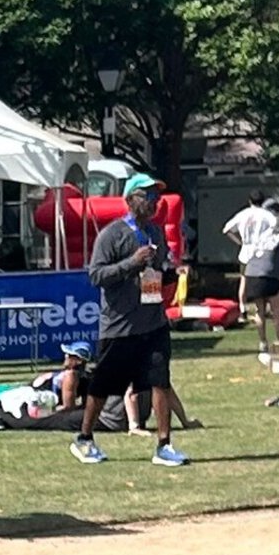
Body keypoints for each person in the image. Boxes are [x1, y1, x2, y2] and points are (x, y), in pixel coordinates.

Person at [72, 174, 186, 468]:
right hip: (120, 326)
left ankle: (164, 444)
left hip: (153, 321)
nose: (155, 203)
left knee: (160, 381)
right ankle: (84, 438)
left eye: (157, 198)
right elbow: (96, 275)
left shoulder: (156, 233)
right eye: (148, 197)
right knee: (102, 386)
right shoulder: (112, 234)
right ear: (131, 199)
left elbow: (158, 270)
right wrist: (131, 263)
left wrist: (170, 272)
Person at [224, 191, 279, 362]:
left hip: (247, 254)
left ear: (250, 200)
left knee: (250, 293)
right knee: (276, 308)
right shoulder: (267, 215)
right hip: (265, 256)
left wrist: (240, 242)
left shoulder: (243, 214)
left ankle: (261, 340)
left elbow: (227, 229)